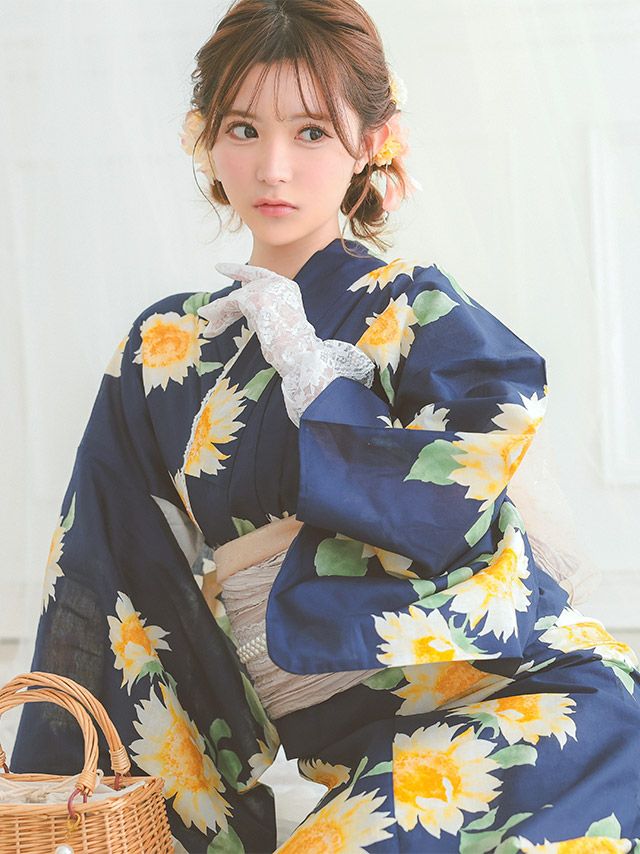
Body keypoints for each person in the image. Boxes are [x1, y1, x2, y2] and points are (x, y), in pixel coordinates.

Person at [10, 1, 640, 851]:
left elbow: (465, 484)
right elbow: (109, 565)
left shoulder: (413, 307)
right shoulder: (162, 349)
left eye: (311, 132)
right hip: (365, 756)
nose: (273, 167)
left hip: (542, 710)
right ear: (205, 138)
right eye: (244, 129)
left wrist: (320, 389)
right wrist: (69, 792)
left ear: (371, 141)